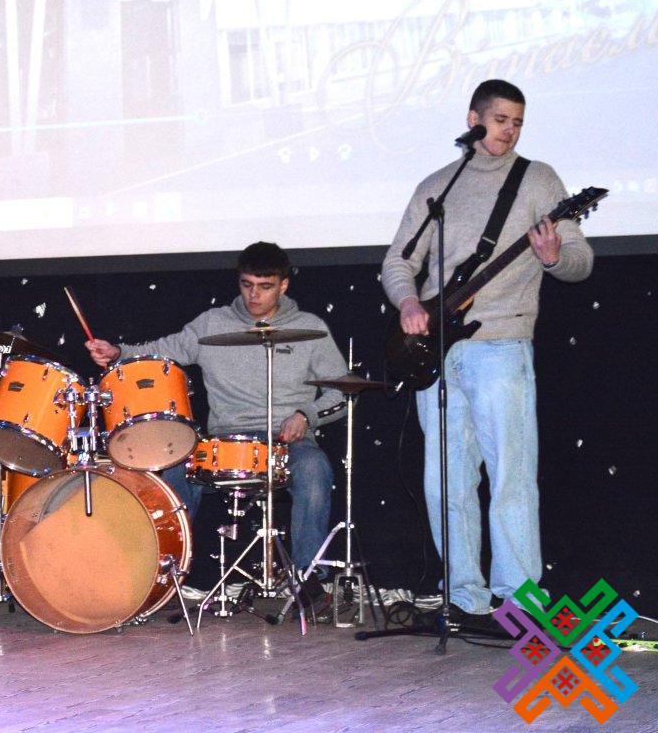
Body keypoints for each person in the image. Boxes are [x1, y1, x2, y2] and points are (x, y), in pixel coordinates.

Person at [381, 79, 594, 623]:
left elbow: (581, 261)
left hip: (502, 345)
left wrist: (553, 257)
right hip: (439, 352)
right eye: (501, 120)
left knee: (510, 477)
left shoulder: (538, 179)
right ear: (473, 119)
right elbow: (398, 261)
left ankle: (519, 599)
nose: (510, 131)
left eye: (518, 122)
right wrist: (409, 303)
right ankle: (463, 596)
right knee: (446, 480)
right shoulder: (439, 186)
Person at [85, 242, 348, 607]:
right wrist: (118, 353)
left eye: (265, 286)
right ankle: (158, 575)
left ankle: (308, 578)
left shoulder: (311, 329)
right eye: (247, 285)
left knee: (315, 468)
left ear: (284, 285)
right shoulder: (212, 324)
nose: (254, 295)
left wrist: (307, 416)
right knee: (174, 470)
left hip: (288, 443)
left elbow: (342, 391)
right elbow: (164, 349)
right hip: (226, 442)